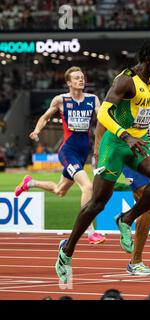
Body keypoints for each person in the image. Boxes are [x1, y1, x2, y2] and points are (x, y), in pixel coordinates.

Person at [55, 40, 150, 283]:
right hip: (117, 143)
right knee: (97, 203)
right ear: (149, 60)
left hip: (139, 141)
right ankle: (66, 252)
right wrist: (124, 136)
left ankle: (125, 219)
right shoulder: (126, 80)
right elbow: (103, 113)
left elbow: (149, 115)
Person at [14, 66, 106, 244]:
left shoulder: (93, 99)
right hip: (68, 151)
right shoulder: (61, 100)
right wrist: (36, 130)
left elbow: (103, 119)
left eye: (82, 77)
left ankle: (29, 183)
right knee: (88, 187)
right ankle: (90, 232)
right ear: (69, 82)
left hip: (82, 152)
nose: (81, 80)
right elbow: (45, 117)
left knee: (60, 190)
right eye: (77, 78)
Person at [111, 77, 150, 276]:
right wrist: (97, 149)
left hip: (148, 147)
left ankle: (125, 218)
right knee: (149, 203)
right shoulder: (130, 83)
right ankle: (135, 261)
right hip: (127, 146)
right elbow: (109, 115)